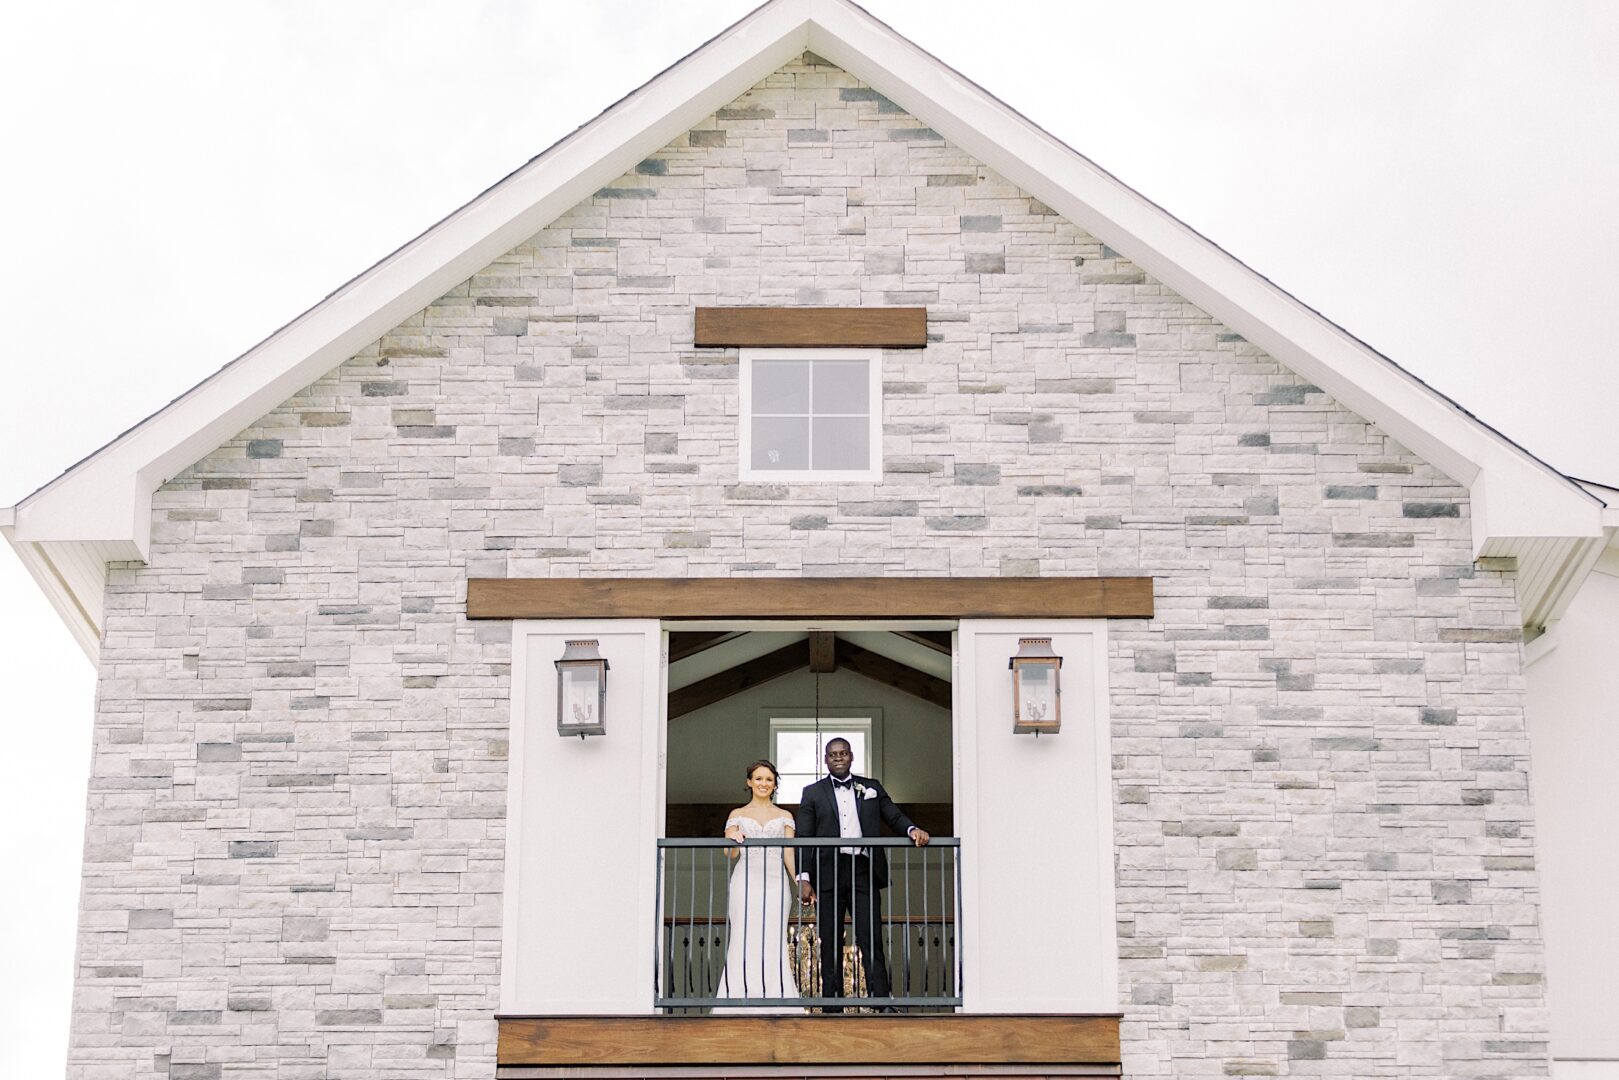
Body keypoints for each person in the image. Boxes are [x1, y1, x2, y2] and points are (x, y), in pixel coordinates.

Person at [794, 737, 930, 1011]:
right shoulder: (812, 792)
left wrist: (911, 829)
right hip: (828, 871)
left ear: (851, 756)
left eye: (843, 753)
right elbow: (804, 837)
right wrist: (803, 878)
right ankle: (831, 1004)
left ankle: (881, 1001)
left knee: (871, 936)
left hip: (862, 869)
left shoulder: (871, 787)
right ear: (826, 759)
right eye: (833, 754)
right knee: (830, 938)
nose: (838, 758)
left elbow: (893, 815)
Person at [712, 759, 801, 1010]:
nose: (764, 783)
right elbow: (729, 856)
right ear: (749, 782)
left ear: (775, 785)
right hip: (745, 880)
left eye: (769, 780)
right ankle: (737, 997)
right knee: (743, 935)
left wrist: (800, 883)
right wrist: (732, 839)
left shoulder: (785, 816)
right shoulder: (737, 815)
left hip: (776, 883)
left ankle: (777, 997)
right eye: (759, 779)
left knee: (773, 937)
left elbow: (789, 855)